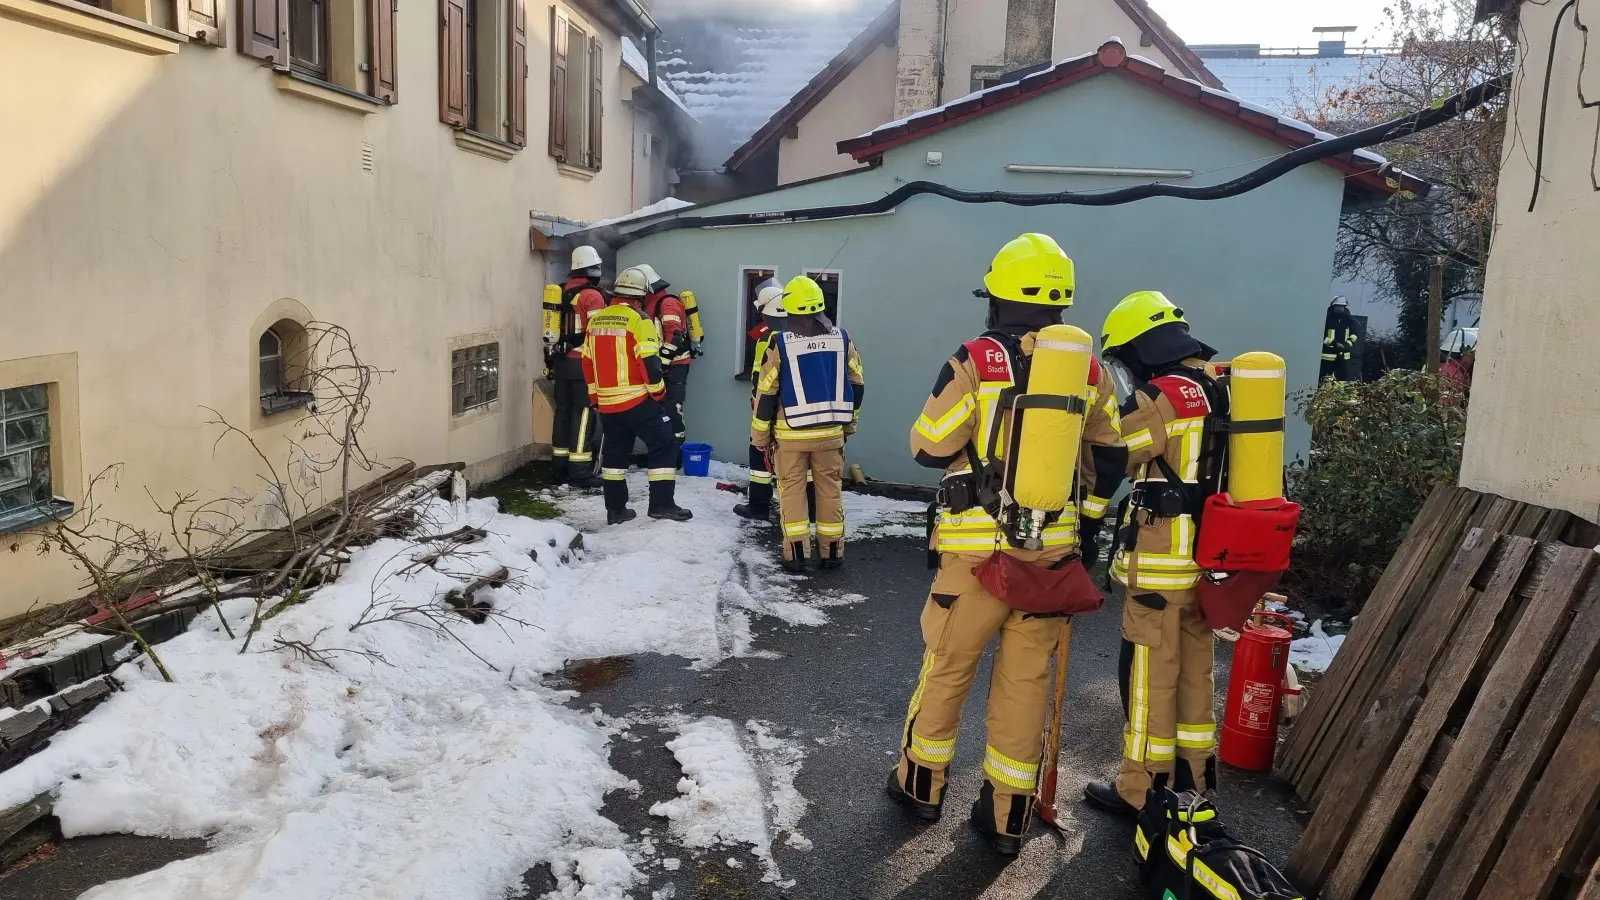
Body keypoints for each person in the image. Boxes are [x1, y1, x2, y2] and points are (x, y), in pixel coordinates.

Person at [885, 234, 1126, 857]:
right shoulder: (1089, 368)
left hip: (976, 558)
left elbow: (928, 444)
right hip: (1051, 561)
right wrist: (1088, 526)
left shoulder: (978, 357)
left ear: (997, 297)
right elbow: (1111, 452)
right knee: (1025, 687)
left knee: (947, 669)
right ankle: (1006, 819)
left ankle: (921, 789)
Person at [1083, 290, 1225, 818]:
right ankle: (1197, 779)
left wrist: (1088, 517)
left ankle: (1142, 790)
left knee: (1147, 678)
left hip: (1162, 567)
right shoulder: (1220, 390)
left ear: (1143, 349)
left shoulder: (1161, 397)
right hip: (1213, 563)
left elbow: (1113, 455)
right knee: (1196, 674)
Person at [751, 275, 864, 572]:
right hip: (830, 435)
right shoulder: (842, 338)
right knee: (829, 492)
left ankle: (797, 556)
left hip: (791, 437)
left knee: (793, 493)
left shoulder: (779, 342)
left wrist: (760, 437)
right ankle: (832, 553)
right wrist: (849, 424)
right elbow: (857, 384)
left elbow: (766, 395)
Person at [581, 267, 693, 525]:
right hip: (637, 400)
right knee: (664, 443)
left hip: (607, 404)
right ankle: (662, 505)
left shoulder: (596, 320)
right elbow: (649, 363)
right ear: (641, 297)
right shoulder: (639, 319)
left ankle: (616, 510)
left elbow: (587, 364)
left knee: (615, 455)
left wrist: (597, 398)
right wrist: (658, 394)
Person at [544, 246, 609, 488]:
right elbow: (599, 330)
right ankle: (580, 471)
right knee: (583, 415)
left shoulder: (559, 291)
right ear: (593, 269)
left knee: (562, 413)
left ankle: (559, 468)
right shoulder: (593, 296)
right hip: (582, 364)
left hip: (560, 363)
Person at [735, 278, 785, 521]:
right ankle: (808, 507)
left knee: (759, 453)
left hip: (767, 408)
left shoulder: (768, 339)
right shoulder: (798, 334)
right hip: (795, 411)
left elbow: (760, 377)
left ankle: (758, 506)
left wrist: (757, 401)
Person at [639, 264, 694, 450]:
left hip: (674, 366)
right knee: (659, 410)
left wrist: (661, 363)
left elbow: (674, 335)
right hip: (661, 365)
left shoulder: (667, 303)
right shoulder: (652, 302)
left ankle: (675, 454)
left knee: (672, 408)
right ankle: (661, 452)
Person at [1320, 297, 1357, 382]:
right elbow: (1321, 336)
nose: (1339, 308)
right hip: (1328, 357)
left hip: (1343, 357)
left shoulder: (1349, 320)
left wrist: (1346, 345)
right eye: (1337, 306)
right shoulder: (1327, 319)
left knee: (1342, 379)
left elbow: (1354, 335)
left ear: (1345, 307)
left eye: (1342, 306)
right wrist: (1334, 343)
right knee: (1325, 379)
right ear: (1333, 307)